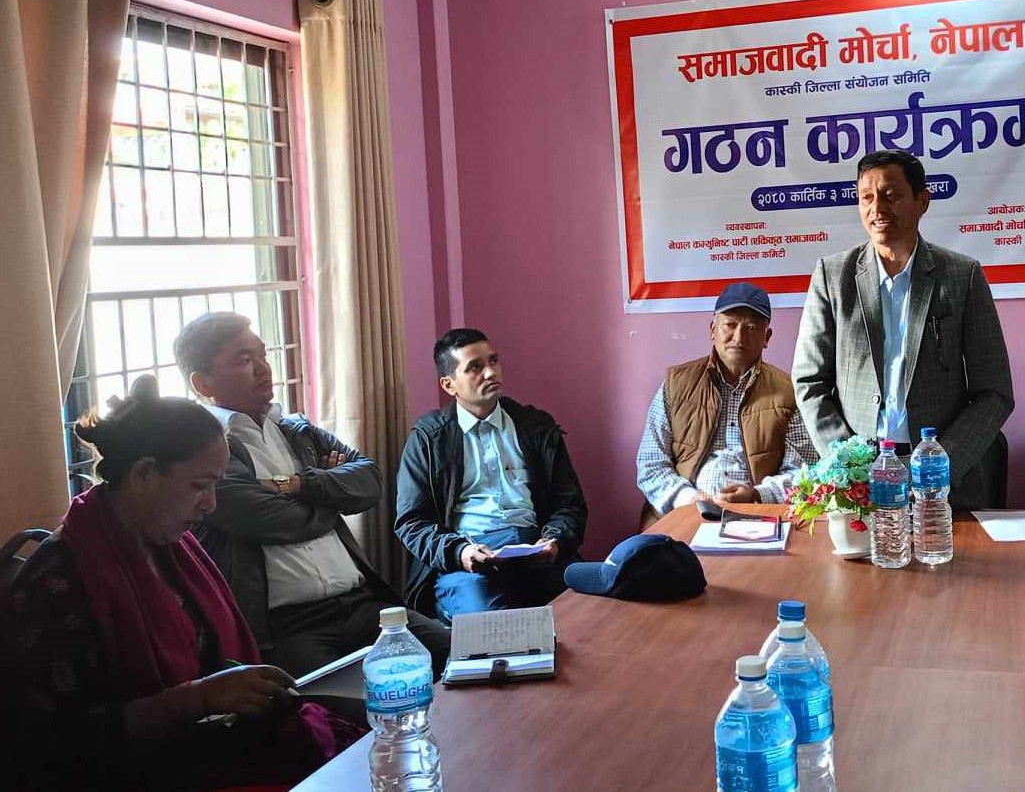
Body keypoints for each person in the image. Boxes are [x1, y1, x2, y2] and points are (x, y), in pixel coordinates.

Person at [3, 377, 366, 790]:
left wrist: (239, 683)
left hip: (205, 750)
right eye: (199, 486)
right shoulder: (59, 580)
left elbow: (206, 656)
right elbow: (54, 740)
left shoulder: (173, 548)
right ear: (144, 474)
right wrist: (197, 698)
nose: (211, 503)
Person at [175, 312, 448, 677]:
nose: (263, 368)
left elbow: (370, 480)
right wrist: (333, 501)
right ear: (202, 383)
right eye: (244, 360)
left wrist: (302, 485)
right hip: (289, 627)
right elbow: (267, 518)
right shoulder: (205, 451)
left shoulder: (295, 429)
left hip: (363, 606)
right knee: (346, 704)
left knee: (464, 657)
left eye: (263, 355)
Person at [792, 150, 1014, 509]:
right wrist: (847, 464)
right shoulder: (833, 277)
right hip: (858, 484)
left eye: (891, 195)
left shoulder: (962, 276)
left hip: (941, 486)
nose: (877, 208)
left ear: (922, 201)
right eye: (866, 197)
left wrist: (941, 463)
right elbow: (809, 381)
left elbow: (994, 392)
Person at [397, 327, 588, 620]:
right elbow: (411, 523)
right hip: (470, 556)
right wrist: (460, 552)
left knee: (592, 611)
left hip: (536, 548)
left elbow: (569, 503)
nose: (490, 373)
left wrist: (555, 540)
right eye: (475, 367)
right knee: (493, 627)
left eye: (494, 361)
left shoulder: (536, 427)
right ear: (449, 385)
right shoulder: (428, 438)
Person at [636, 282, 818, 519]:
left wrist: (757, 495)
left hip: (759, 517)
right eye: (730, 325)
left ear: (767, 337)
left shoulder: (789, 392)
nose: (739, 337)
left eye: (751, 328)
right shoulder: (676, 385)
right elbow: (651, 464)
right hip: (684, 513)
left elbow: (804, 471)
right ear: (713, 330)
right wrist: (688, 499)